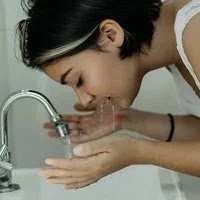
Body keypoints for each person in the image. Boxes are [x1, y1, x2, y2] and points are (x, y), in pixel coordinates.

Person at [17, 0, 200, 190]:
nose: (85, 100)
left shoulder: (196, 28)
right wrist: (126, 120)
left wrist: (137, 152)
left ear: (110, 35)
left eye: (79, 80)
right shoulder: (175, 41)